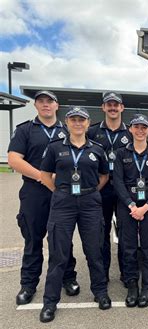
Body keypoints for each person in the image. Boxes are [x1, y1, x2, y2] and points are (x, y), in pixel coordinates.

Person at [39, 106, 111, 323]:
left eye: (82, 120)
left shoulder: (97, 149)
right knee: (58, 254)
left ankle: (100, 292)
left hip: (90, 203)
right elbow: (44, 175)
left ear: (88, 124)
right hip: (63, 202)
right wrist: (61, 192)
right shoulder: (54, 148)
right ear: (67, 123)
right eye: (74, 120)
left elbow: (104, 175)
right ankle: (50, 302)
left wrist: (89, 193)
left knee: (94, 251)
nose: (78, 123)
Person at [8, 90, 79, 306]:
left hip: (61, 193)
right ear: (36, 105)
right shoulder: (26, 130)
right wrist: (43, 177)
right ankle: (28, 284)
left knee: (63, 239)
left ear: (57, 106)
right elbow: (14, 159)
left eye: (50, 101)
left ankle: (68, 278)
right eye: (41, 101)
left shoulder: (67, 131)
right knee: (33, 239)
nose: (46, 105)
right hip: (35, 191)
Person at [113, 114, 148, 307]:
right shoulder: (121, 153)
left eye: (144, 127)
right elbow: (117, 181)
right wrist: (131, 205)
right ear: (131, 129)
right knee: (128, 248)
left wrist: (145, 207)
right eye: (137, 127)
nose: (140, 130)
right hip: (127, 206)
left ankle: (147, 287)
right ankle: (132, 285)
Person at [87, 92, 131, 284]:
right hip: (101, 188)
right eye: (109, 105)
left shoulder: (131, 132)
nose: (113, 108)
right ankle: (102, 273)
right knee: (101, 233)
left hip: (124, 190)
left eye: (116, 105)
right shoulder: (92, 132)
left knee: (124, 232)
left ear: (122, 108)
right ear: (103, 108)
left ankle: (125, 272)